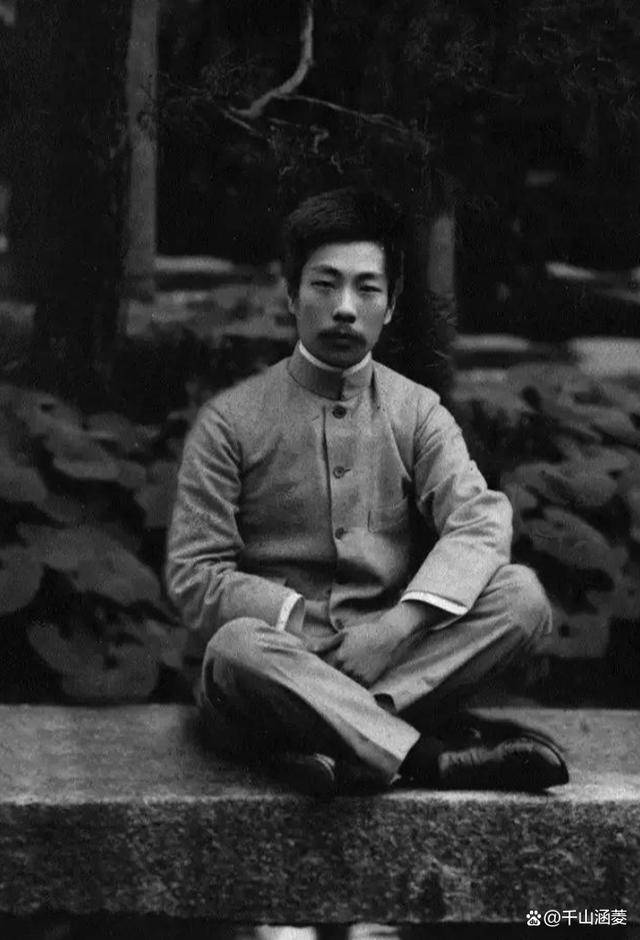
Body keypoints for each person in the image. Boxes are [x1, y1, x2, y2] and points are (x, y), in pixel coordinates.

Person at [166, 187, 568, 796]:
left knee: (522, 598)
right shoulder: (231, 420)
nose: (345, 309)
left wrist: (395, 628)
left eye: (367, 289)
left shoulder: (416, 412)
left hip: (389, 656)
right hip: (280, 660)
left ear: (392, 305)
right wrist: (295, 622)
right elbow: (195, 573)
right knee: (235, 648)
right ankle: (430, 758)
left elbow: (480, 520)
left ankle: (334, 736)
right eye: (325, 285)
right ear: (291, 294)